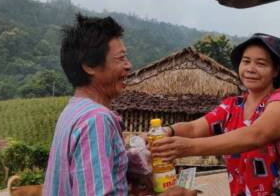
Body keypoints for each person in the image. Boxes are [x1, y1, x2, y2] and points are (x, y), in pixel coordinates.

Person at [43, 14, 196, 196]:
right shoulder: (96, 119)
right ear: (89, 66)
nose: (129, 65)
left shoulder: (72, 111)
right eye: (121, 58)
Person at [152, 33, 280, 196]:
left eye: (261, 63)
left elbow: (255, 135)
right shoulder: (232, 106)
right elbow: (193, 128)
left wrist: (189, 147)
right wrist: (166, 131)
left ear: (275, 71)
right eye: (246, 61)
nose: (250, 69)